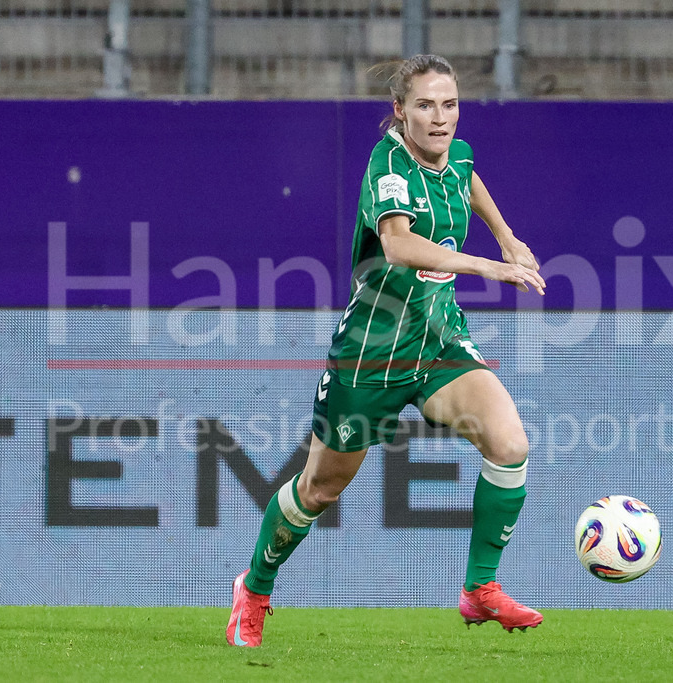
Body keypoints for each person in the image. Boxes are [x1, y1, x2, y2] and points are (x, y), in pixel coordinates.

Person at [226, 54, 547, 647]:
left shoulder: (458, 154)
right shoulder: (389, 166)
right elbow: (398, 244)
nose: (440, 117)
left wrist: (507, 236)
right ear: (400, 110)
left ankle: (479, 589)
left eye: (449, 104)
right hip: (372, 354)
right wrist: (486, 265)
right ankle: (255, 586)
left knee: (510, 445)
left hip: (438, 341)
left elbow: (468, 178)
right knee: (319, 489)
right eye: (425, 105)